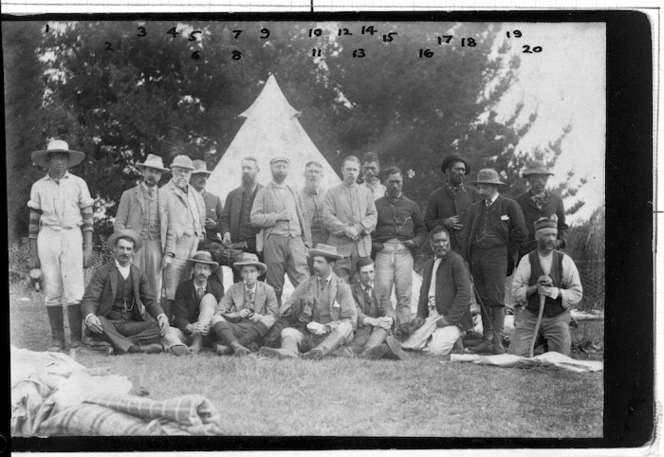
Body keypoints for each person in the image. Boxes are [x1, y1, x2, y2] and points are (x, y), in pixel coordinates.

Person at [27, 140, 94, 352]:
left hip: (72, 234)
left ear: (68, 160)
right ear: (47, 160)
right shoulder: (39, 186)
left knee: (75, 288)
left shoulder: (78, 183)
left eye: (63, 157)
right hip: (47, 236)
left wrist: (88, 247)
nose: (59, 162)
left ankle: (76, 339)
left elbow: (88, 216)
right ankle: (57, 340)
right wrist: (32, 253)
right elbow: (33, 221)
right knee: (52, 287)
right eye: (54, 157)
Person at [81, 230, 187, 356]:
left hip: (129, 325)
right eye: (121, 248)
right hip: (108, 322)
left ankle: (118, 345)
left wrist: (161, 316)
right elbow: (89, 299)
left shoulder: (138, 274)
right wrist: (90, 317)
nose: (125, 252)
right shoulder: (103, 272)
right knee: (100, 321)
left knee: (158, 326)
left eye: (128, 249)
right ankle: (135, 348)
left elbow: (149, 300)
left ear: (133, 251)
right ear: (115, 249)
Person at [457, 168, 528, 354]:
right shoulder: (475, 208)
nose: (481, 190)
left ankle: (497, 339)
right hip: (476, 257)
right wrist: (467, 258)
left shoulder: (509, 205)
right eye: (479, 186)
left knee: (496, 298)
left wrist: (507, 251)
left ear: (495, 186)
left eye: (485, 187)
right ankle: (487, 337)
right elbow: (466, 235)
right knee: (482, 297)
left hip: (497, 256)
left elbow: (521, 232)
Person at [259, 244, 357, 360]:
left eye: (320, 262)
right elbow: (285, 307)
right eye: (314, 261)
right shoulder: (307, 284)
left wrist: (326, 327)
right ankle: (288, 351)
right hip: (309, 334)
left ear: (331, 264)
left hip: (332, 335)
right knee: (287, 331)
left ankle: (320, 351)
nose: (315, 265)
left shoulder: (342, 287)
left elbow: (351, 320)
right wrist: (298, 314)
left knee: (346, 326)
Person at [509, 216, 583, 357]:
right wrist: (535, 288)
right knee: (515, 356)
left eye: (554, 235)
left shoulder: (564, 261)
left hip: (557, 319)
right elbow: (516, 293)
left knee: (559, 360)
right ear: (537, 236)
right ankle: (538, 339)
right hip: (531, 318)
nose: (551, 239)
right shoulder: (527, 260)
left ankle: (548, 341)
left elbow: (577, 293)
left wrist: (556, 292)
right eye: (547, 235)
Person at [399, 226, 473, 358]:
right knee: (408, 344)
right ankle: (445, 339)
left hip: (451, 318)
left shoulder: (456, 261)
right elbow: (423, 295)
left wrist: (449, 319)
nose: (441, 244)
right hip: (432, 316)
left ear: (449, 241)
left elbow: (465, 294)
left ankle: (456, 341)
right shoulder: (429, 265)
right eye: (437, 242)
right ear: (431, 244)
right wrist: (420, 316)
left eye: (444, 241)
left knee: (434, 350)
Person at [250, 157, 311, 305]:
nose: (281, 169)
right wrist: (277, 216)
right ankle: (274, 317)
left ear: (288, 169)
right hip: (274, 240)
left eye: (284, 166)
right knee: (274, 284)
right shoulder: (263, 192)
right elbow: (254, 218)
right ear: (271, 168)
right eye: (278, 166)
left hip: (295, 240)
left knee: (304, 281)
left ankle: (308, 315)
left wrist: (307, 243)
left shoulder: (295, 192)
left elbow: (303, 218)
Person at [373, 166, 427, 326]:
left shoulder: (411, 205)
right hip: (384, 252)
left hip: (404, 252)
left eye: (398, 182)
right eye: (391, 182)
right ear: (384, 182)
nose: (395, 186)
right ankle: (386, 327)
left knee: (404, 294)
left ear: (402, 182)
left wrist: (415, 242)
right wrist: (377, 246)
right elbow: (368, 229)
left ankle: (403, 329)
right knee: (383, 292)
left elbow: (422, 230)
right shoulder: (376, 205)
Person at [114, 154, 168, 302]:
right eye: (150, 170)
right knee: (131, 282)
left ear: (160, 176)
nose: (153, 175)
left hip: (156, 246)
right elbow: (119, 222)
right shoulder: (129, 194)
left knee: (153, 285)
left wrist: (169, 253)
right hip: (134, 246)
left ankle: (151, 321)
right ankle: (130, 319)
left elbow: (170, 228)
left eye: (157, 172)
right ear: (143, 172)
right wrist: (125, 243)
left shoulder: (165, 197)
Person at [159, 154, 206, 319]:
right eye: (179, 171)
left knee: (186, 284)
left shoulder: (194, 194)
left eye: (186, 172)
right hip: (175, 245)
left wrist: (201, 231)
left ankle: (181, 322)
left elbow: (200, 215)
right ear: (172, 171)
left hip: (193, 246)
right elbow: (163, 223)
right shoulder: (165, 192)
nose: (183, 175)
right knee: (170, 286)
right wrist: (167, 249)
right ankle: (165, 325)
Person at [332, 257, 406, 360]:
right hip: (361, 330)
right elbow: (355, 312)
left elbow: (386, 306)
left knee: (383, 328)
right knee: (354, 346)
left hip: (379, 329)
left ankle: (366, 354)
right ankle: (383, 349)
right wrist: (372, 321)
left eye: (371, 272)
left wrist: (389, 318)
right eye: (364, 273)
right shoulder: (351, 289)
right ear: (358, 273)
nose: (369, 276)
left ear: (375, 271)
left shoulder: (381, 288)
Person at [210, 253, 279, 356]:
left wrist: (259, 317)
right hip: (238, 328)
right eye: (245, 272)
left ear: (258, 273)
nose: (249, 275)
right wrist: (236, 314)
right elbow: (220, 310)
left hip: (259, 330)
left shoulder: (267, 289)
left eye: (252, 271)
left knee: (268, 319)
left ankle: (231, 347)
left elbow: (274, 315)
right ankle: (238, 347)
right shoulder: (234, 288)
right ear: (241, 274)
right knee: (216, 318)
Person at [323, 155, 377, 282]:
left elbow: (373, 216)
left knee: (362, 287)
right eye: (348, 169)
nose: (351, 172)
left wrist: (358, 228)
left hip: (362, 249)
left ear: (359, 172)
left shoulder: (367, 192)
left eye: (354, 169)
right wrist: (346, 229)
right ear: (342, 170)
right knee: (340, 287)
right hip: (339, 250)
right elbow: (327, 217)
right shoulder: (332, 192)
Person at [219, 157, 264, 283]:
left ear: (257, 170)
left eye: (249, 168)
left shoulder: (266, 193)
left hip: (259, 249)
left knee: (259, 283)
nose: (245, 171)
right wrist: (226, 232)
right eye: (243, 168)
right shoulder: (233, 195)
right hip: (238, 248)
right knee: (239, 282)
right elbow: (224, 219)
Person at [424, 153, 480, 253]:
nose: (461, 172)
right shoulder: (435, 196)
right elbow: (428, 223)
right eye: (457, 169)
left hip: (470, 250)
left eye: (463, 170)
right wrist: (444, 222)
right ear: (447, 171)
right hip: (446, 249)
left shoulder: (473, 193)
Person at [171, 251, 225, 354]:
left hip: (208, 330)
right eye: (199, 267)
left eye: (206, 269)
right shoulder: (183, 288)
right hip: (189, 331)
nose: (202, 272)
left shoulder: (217, 287)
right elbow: (179, 315)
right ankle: (180, 347)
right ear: (192, 270)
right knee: (168, 332)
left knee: (208, 298)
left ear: (210, 272)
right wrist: (190, 327)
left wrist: (210, 327)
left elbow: (221, 311)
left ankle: (197, 343)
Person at [515, 161, 568, 259]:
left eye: (543, 178)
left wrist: (559, 242)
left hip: (551, 253)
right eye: (536, 178)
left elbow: (562, 226)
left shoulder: (556, 200)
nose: (540, 181)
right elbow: (514, 229)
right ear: (529, 179)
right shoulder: (518, 202)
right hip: (526, 254)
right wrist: (520, 246)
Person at [190, 159, 225, 285]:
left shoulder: (214, 199)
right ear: (191, 177)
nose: (202, 179)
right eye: (198, 175)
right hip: (191, 246)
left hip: (211, 247)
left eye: (205, 175)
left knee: (216, 281)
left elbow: (225, 225)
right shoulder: (186, 197)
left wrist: (215, 226)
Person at [300, 160, 329, 274]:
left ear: (322, 175)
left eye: (316, 172)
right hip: (306, 244)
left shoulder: (328, 195)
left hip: (325, 242)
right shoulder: (298, 196)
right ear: (304, 175)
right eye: (310, 171)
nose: (313, 174)